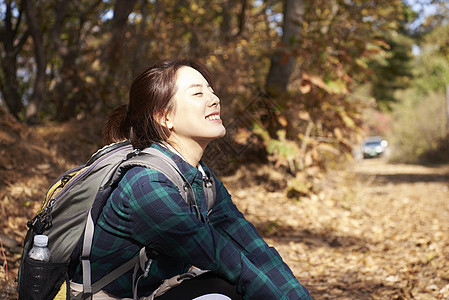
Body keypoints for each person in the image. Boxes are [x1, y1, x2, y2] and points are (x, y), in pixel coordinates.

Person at [71, 59, 312, 299]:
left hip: (151, 292)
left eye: (211, 90)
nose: (214, 99)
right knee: (226, 291)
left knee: (230, 287)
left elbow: (254, 251)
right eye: (198, 93)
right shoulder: (145, 185)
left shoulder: (202, 178)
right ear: (165, 117)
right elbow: (225, 259)